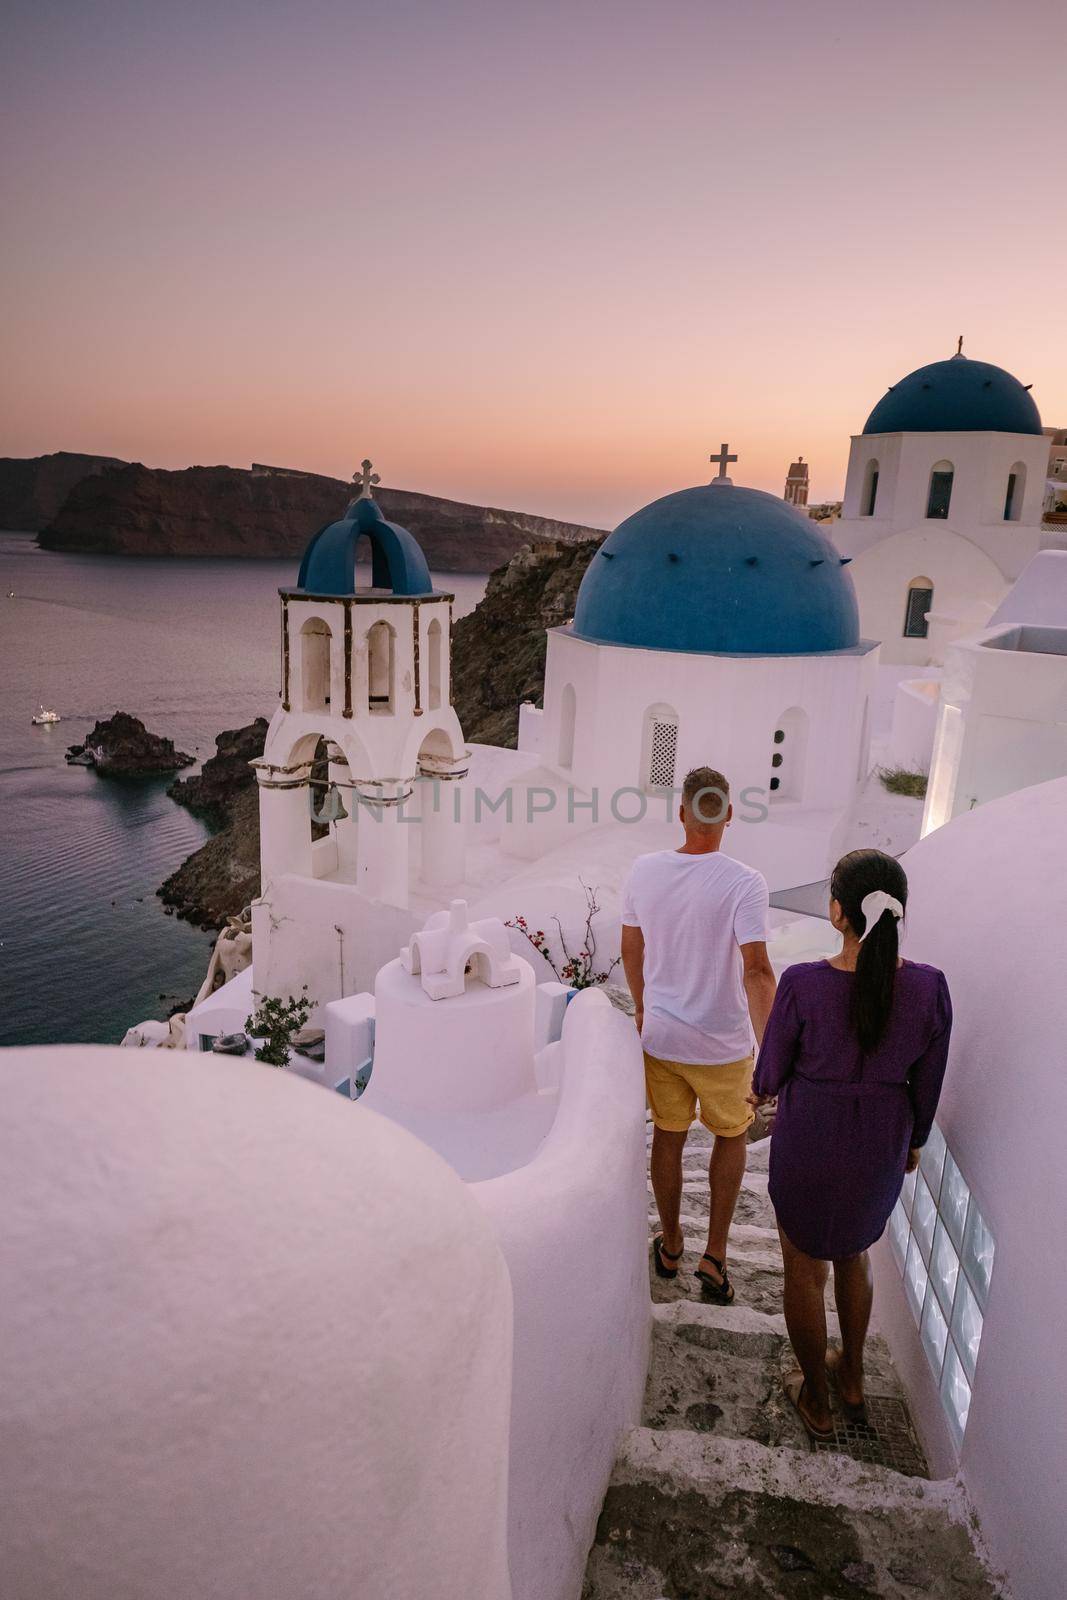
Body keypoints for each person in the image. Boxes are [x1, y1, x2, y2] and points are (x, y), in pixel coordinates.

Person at [751, 848, 952, 1440]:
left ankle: (816, 1397)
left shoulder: (804, 984)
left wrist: (761, 1092)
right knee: (855, 1253)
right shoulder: (930, 988)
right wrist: (911, 1142)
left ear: (839, 913)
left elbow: (770, 1072)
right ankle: (854, 1376)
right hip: (880, 1146)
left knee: (801, 1265)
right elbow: (930, 1082)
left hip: (810, 1138)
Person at [621, 767, 777, 1304]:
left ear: (683, 812)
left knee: (668, 1135)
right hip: (722, 1044)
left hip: (662, 1039)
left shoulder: (644, 871)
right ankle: (715, 1255)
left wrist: (643, 1008)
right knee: (731, 1137)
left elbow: (631, 946)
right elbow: (756, 970)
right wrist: (773, 1048)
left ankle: (669, 1243)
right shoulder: (744, 882)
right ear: (728, 815)